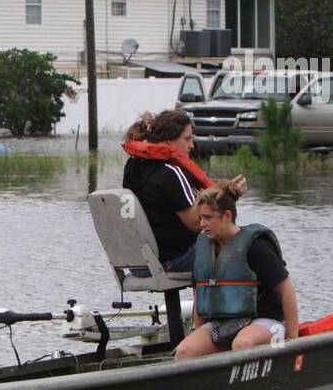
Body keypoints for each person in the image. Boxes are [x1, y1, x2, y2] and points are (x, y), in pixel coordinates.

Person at [174, 180, 299, 359]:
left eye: (208, 217)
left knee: (243, 344)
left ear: (227, 215)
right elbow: (199, 292)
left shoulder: (256, 247)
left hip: (266, 321)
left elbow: (287, 289)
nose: (202, 224)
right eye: (200, 218)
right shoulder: (203, 249)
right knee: (184, 352)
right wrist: (197, 331)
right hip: (222, 323)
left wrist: (293, 340)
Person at [122, 109, 247, 273]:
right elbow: (197, 224)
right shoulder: (171, 172)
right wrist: (229, 193)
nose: (192, 145)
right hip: (172, 260)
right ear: (168, 142)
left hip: (139, 263)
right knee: (251, 246)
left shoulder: (133, 165)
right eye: (187, 139)